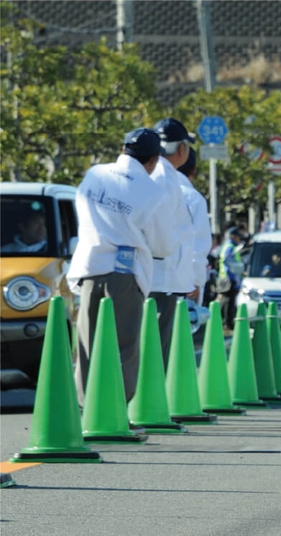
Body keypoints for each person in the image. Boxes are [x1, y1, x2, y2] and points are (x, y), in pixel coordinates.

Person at [68, 128, 177, 407]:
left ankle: (85, 408)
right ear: (153, 161)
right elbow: (163, 246)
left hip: (89, 266)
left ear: (123, 148)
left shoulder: (95, 174)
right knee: (124, 345)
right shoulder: (152, 192)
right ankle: (115, 410)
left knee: (87, 343)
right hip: (124, 273)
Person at [150, 117, 197, 368]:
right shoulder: (165, 178)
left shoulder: (160, 175)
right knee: (157, 346)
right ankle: (151, 403)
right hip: (160, 277)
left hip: (160, 276)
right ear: (182, 149)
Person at [177, 147, 213, 307]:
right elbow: (198, 246)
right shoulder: (193, 198)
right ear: (193, 170)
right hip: (180, 284)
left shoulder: (149, 189)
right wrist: (195, 280)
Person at [217, 227, 244, 331]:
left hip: (226, 278)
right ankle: (227, 323)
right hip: (228, 279)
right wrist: (233, 277)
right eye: (238, 237)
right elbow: (228, 262)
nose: (239, 240)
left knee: (226, 301)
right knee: (228, 302)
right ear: (233, 236)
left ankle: (225, 322)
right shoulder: (230, 246)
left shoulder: (228, 246)